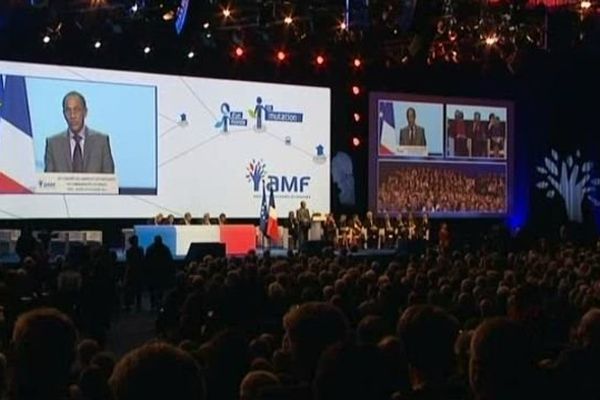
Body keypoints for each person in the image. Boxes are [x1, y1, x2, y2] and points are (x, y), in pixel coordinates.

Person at [44, 91, 115, 173]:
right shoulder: (53, 144)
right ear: (64, 114)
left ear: (85, 112)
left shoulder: (101, 142)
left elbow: (109, 180)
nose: (72, 115)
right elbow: (49, 182)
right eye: (68, 110)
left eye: (76, 110)